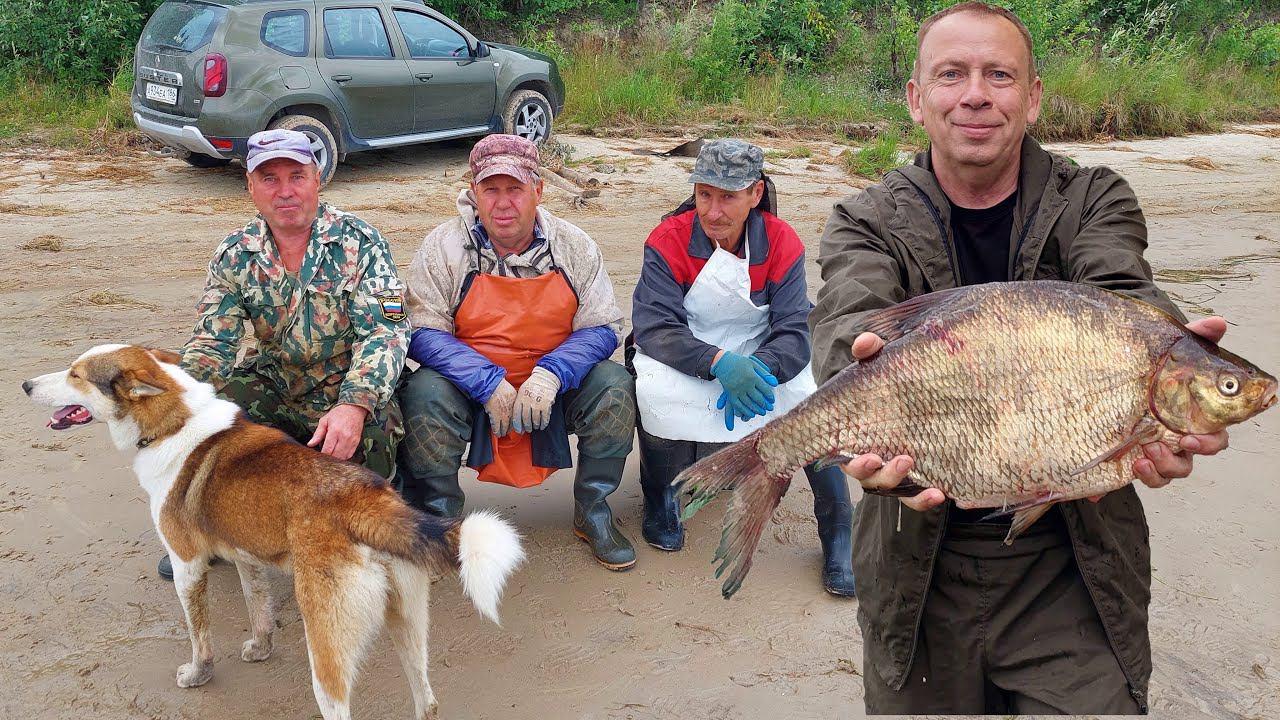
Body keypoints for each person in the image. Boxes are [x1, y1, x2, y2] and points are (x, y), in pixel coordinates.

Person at [811, 2, 1233, 713]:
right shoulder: (866, 218)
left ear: (1033, 96)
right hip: (918, 562)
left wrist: (1167, 380)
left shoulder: (1093, 199)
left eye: (999, 74)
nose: (975, 92)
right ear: (917, 98)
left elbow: (1124, 293)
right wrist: (858, 374)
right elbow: (842, 329)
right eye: (952, 74)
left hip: (1074, 561)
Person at [162, 128, 409, 580]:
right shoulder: (235, 254)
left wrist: (353, 406)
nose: (286, 191)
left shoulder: (361, 242)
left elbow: (385, 333)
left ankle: (359, 527)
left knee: (368, 454)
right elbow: (213, 342)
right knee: (205, 423)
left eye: (296, 175)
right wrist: (176, 401)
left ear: (318, 178)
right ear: (250, 187)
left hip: (345, 385)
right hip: (276, 382)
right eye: (270, 179)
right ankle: (208, 528)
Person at [396, 134, 637, 570]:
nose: (502, 203)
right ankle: (441, 520)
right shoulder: (444, 247)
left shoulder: (574, 245)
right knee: (422, 393)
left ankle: (593, 510)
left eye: (515, 189)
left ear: (538, 190)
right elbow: (421, 331)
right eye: (491, 189)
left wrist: (551, 375)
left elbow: (603, 327)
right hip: (472, 392)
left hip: (554, 389)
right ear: (474, 192)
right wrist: (486, 382)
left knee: (615, 387)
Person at [629, 139, 856, 596]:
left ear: (755, 194)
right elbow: (654, 326)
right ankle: (661, 499)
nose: (713, 211)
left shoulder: (781, 242)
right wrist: (717, 364)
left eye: (728, 197)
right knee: (653, 393)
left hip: (760, 351)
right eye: (705, 195)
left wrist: (759, 368)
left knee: (816, 402)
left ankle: (838, 531)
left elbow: (795, 327)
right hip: (689, 352)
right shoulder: (668, 239)